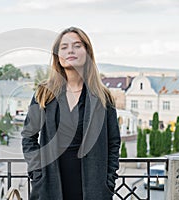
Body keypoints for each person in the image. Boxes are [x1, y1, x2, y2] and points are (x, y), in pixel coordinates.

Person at [21, 27, 121, 200]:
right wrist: (37, 175)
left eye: (77, 45)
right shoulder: (44, 93)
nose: (70, 51)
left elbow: (113, 143)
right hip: (50, 184)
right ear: (57, 56)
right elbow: (28, 137)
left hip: (93, 188)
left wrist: (108, 182)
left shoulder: (103, 97)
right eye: (64, 47)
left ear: (87, 52)